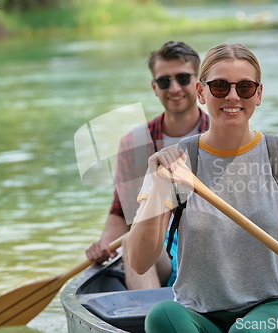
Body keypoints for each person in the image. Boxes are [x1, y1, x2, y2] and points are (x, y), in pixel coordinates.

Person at [127, 43, 278, 333]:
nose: (233, 96)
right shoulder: (176, 162)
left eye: (245, 87)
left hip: (274, 311)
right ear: (201, 92)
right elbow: (139, 261)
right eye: (220, 86)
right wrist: (159, 186)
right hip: (198, 316)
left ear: (258, 94)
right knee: (161, 316)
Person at [85, 41, 209, 290]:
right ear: (154, 87)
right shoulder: (134, 143)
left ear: (198, 84)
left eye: (183, 79)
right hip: (158, 252)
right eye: (164, 81)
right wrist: (105, 243)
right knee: (132, 239)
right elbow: (123, 210)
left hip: (211, 247)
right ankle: (149, 320)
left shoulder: (220, 136)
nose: (174, 88)